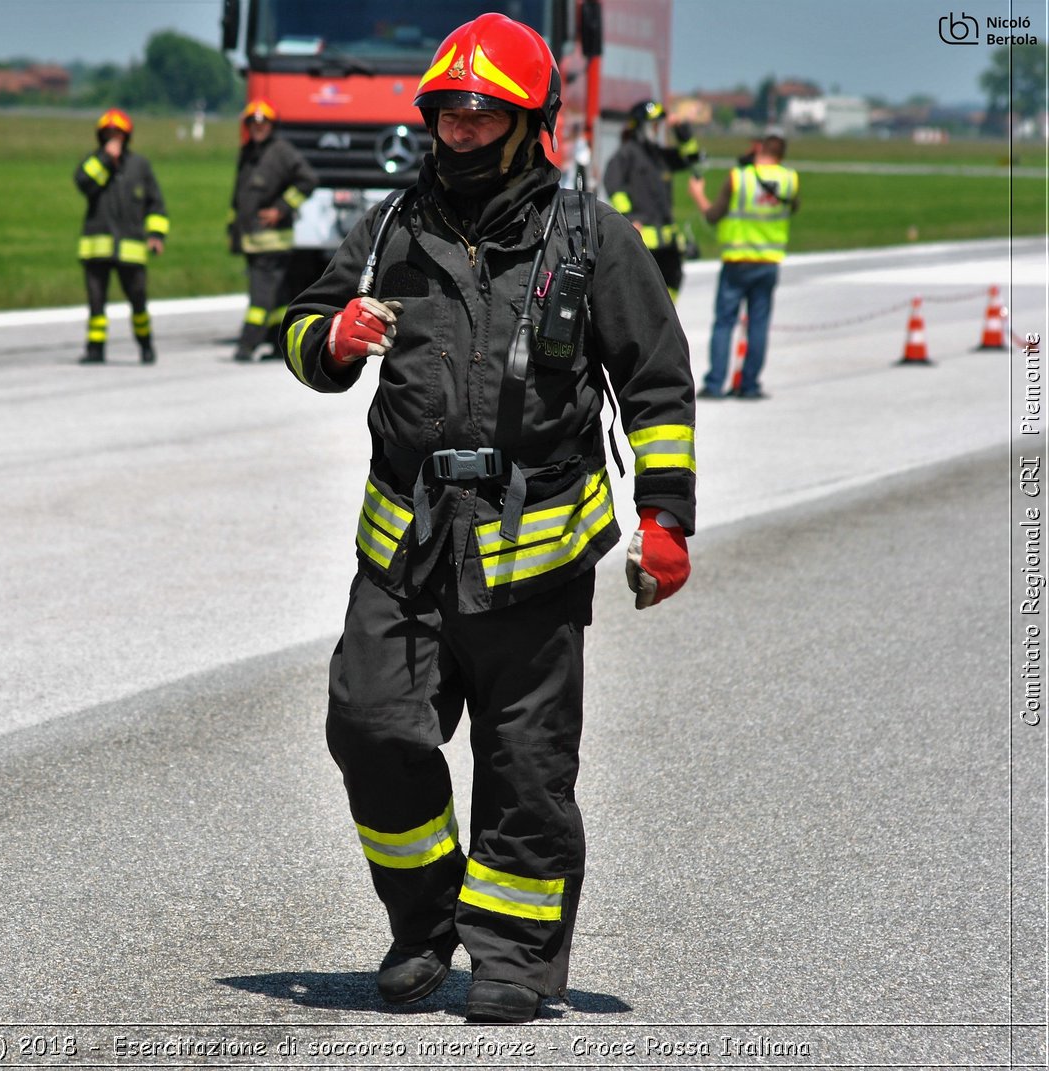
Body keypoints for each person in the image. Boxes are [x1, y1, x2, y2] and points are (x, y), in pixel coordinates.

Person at [280, 14, 696, 1024]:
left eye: (481, 113)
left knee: (526, 768)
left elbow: (655, 383)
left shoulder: (592, 237)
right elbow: (296, 334)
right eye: (446, 111)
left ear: (528, 122)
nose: (458, 129)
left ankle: (510, 953)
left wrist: (666, 517)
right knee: (370, 727)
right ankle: (423, 921)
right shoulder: (389, 227)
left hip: (535, 559)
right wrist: (331, 337)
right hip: (405, 550)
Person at [688, 130, 799, 399]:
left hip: (737, 260)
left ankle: (715, 384)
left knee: (725, 322)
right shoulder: (789, 180)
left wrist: (698, 195)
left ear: (759, 149)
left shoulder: (741, 177)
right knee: (759, 324)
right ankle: (749, 385)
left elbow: (714, 215)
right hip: (769, 261)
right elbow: (793, 208)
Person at [73, 109, 169, 364]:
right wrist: (105, 159)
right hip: (97, 248)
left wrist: (156, 234)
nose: (114, 138)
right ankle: (95, 350)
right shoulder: (94, 161)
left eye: (118, 133)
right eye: (109, 133)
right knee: (96, 306)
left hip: (131, 249)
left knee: (138, 303)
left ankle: (146, 347)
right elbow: (82, 181)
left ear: (127, 136)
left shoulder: (139, 166)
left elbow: (155, 204)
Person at [229, 99, 317, 362]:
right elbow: (239, 198)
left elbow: (308, 180)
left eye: (262, 123)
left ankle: (247, 344)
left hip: (273, 241)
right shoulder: (248, 153)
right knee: (278, 298)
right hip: (251, 239)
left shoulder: (282, 152)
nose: (258, 128)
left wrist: (281, 209)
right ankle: (279, 343)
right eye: (253, 123)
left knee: (260, 296)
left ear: (271, 125)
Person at [602, 99, 703, 301]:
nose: (657, 129)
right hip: (644, 237)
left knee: (673, 280)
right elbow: (614, 186)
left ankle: (664, 322)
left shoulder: (658, 155)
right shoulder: (627, 154)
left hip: (668, 240)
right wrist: (629, 218)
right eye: (653, 125)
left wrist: (680, 129)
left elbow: (691, 157)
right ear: (639, 126)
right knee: (643, 291)